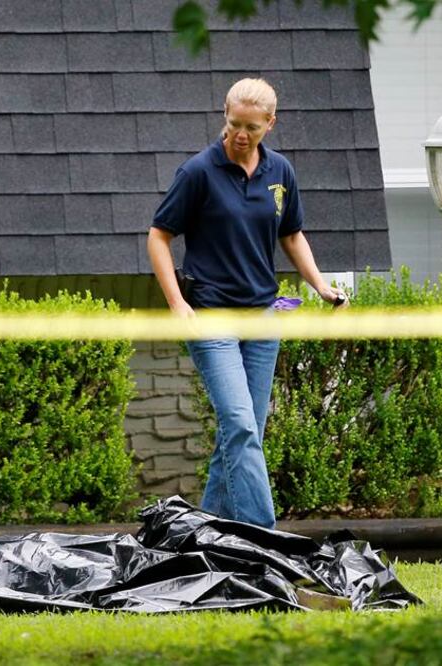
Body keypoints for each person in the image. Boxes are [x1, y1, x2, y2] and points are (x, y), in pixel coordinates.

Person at [147, 78, 347, 529]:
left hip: (263, 317)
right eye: (234, 123)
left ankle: (205, 533)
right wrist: (177, 303)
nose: (241, 134)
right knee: (239, 425)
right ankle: (265, 537)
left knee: (244, 432)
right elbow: (158, 237)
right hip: (211, 316)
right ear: (225, 114)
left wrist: (321, 286)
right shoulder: (198, 172)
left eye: (252, 127)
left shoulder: (281, 172)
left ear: (270, 124)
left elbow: (291, 235)